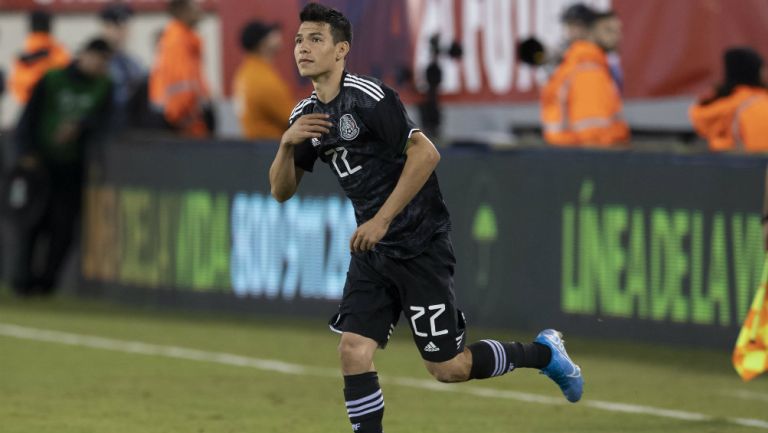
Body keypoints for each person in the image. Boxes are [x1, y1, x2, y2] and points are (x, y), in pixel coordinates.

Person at [269, 4, 584, 433]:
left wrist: (381, 220)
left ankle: (545, 353)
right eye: (298, 41)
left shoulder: (369, 98)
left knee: (448, 367)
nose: (303, 48)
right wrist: (286, 146)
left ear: (341, 49)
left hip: (419, 243)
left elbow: (426, 153)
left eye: (315, 39)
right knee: (352, 350)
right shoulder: (306, 116)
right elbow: (281, 191)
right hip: (373, 252)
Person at [12, 38, 113, 296]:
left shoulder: (105, 86)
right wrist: (26, 152)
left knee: (64, 227)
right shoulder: (52, 79)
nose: (100, 66)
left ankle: (47, 283)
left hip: (73, 166)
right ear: (83, 55)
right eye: (97, 59)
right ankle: (23, 280)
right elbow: (28, 117)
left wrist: (81, 126)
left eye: (104, 62)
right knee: (33, 222)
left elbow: (109, 120)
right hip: (41, 163)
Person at [540, 8, 629, 147]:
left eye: (618, 30)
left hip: (567, 154)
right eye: (609, 30)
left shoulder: (581, 63)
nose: (618, 37)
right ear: (591, 31)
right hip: (588, 158)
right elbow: (592, 133)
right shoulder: (588, 67)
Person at [149, 0, 213, 137]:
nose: (198, 9)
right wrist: (188, 121)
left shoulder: (186, 39)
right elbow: (180, 88)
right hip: (182, 125)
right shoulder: (177, 42)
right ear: (182, 11)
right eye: (193, 5)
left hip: (186, 120)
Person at [689, 47, 768, 153]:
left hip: (723, 163)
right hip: (756, 166)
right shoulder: (758, 106)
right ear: (756, 73)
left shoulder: (715, 105)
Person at [233, 21, 295, 140]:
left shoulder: (246, 72)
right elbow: (293, 119)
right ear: (262, 43)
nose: (277, 35)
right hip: (272, 148)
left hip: (256, 147)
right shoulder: (262, 79)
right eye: (270, 34)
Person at [8, 10, 71, 104]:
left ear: (29, 28)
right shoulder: (59, 53)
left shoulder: (22, 58)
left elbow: (17, 90)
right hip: (53, 109)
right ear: (50, 27)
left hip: (30, 108)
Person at [100, 3, 145, 129]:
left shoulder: (134, 64)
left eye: (124, 26)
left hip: (128, 131)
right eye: (114, 26)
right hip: (102, 129)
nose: (120, 32)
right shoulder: (96, 63)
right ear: (105, 28)